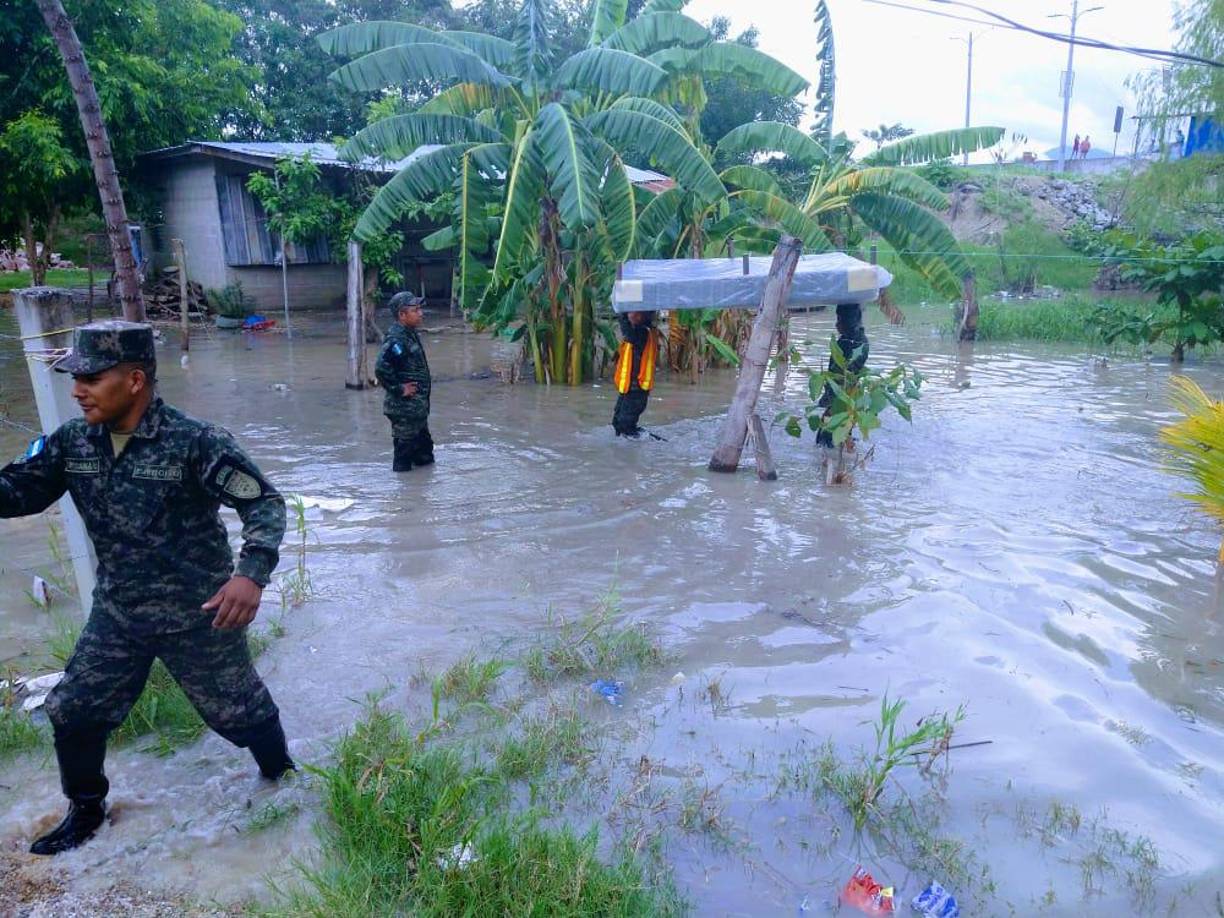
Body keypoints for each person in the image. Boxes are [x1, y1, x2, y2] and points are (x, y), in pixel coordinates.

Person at [0, 321, 292, 856]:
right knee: (74, 711)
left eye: (91, 377)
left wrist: (250, 575)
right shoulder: (73, 442)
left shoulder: (195, 442)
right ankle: (86, 812)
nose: (77, 390)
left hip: (199, 614)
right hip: (119, 613)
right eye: (75, 377)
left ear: (135, 380)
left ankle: (286, 782)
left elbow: (265, 505)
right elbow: (20, 492)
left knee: (239, 714)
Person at [376, 292, 433, 471]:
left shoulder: (409, 333)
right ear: (402, 315)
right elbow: (380, 368)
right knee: (403, 462)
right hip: (405, 411)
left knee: (425, 458)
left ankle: (417, 495)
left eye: (420, 309)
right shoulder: (397, 339)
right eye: (415, 310)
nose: (420, 313)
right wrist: (400, 389)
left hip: (417, 410)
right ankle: (403, 497)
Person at [612, 310, 658, 438]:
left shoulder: (643, 332)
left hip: (637, 390)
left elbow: (629, 334)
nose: (631, 315)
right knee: (617, 424)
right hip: (629, 389)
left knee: (625, 426)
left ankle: (648, 442)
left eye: (635, 313)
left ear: (644, 316)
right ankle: (644, 440)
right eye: (630, 312)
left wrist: (621, 313)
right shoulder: (639, 330)